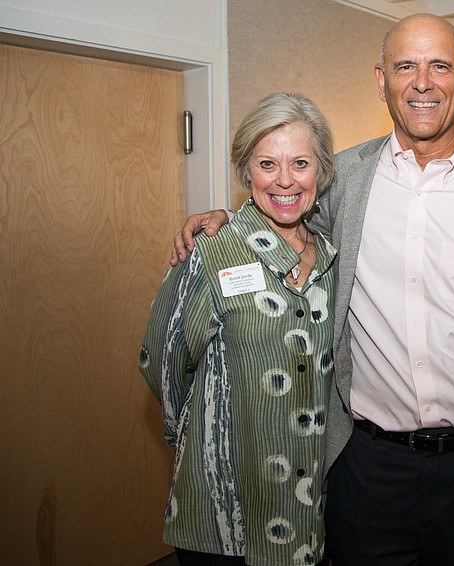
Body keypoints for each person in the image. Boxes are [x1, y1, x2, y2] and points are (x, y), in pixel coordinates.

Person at [171, 14, 454, 565]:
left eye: (440, 66)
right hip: (366, 469)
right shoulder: (344, 179)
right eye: (405, 66)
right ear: (381, 80)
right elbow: (284, 205)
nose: (422, 82)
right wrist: (229, 219)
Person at [139, 92, 337, 566]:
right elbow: (162, 361)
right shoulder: (211, 251)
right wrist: (205, 437)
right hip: (224, 509)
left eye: (301, 163)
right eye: (267, 164)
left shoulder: (333, 257)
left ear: (321, 171)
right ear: (246, 171)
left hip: (309, 508)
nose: (285, 180)